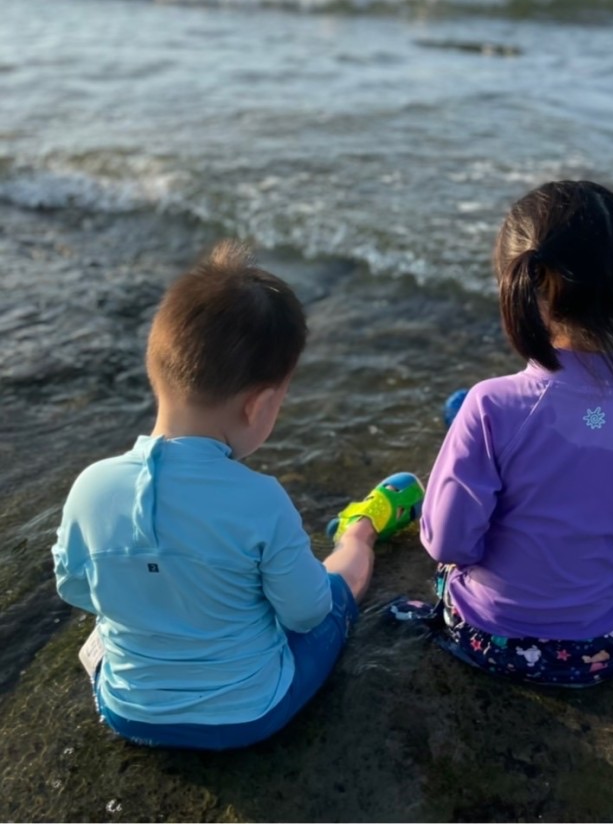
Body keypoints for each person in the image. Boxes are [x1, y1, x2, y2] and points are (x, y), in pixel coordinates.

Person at [52, 242, 423, 749]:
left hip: (127, 711)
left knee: (131, 600)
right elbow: (307, 614)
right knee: (335, 592)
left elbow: (74, 587)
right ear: (259, 405)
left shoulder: (90, 486)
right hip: (248, 714)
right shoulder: (261, 501)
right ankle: (363, 526)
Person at [389, 179, 613, 685]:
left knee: (470, 428)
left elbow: (448, 542)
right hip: (593, 645)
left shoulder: (491, 403)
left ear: (522, 282)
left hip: (486, 636)